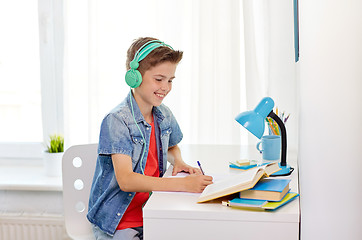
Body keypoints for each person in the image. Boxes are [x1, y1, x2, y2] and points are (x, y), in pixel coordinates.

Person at [87, 37, 213, 239]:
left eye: (170, 80)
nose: (166, 87)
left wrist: (178, 161)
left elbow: (172, 145)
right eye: (159, 79)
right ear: (134, 77)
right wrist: (184, 184)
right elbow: (126, 181)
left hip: (153, 211)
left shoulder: (163, 114)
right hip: (120, 221)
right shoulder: (117, 120)